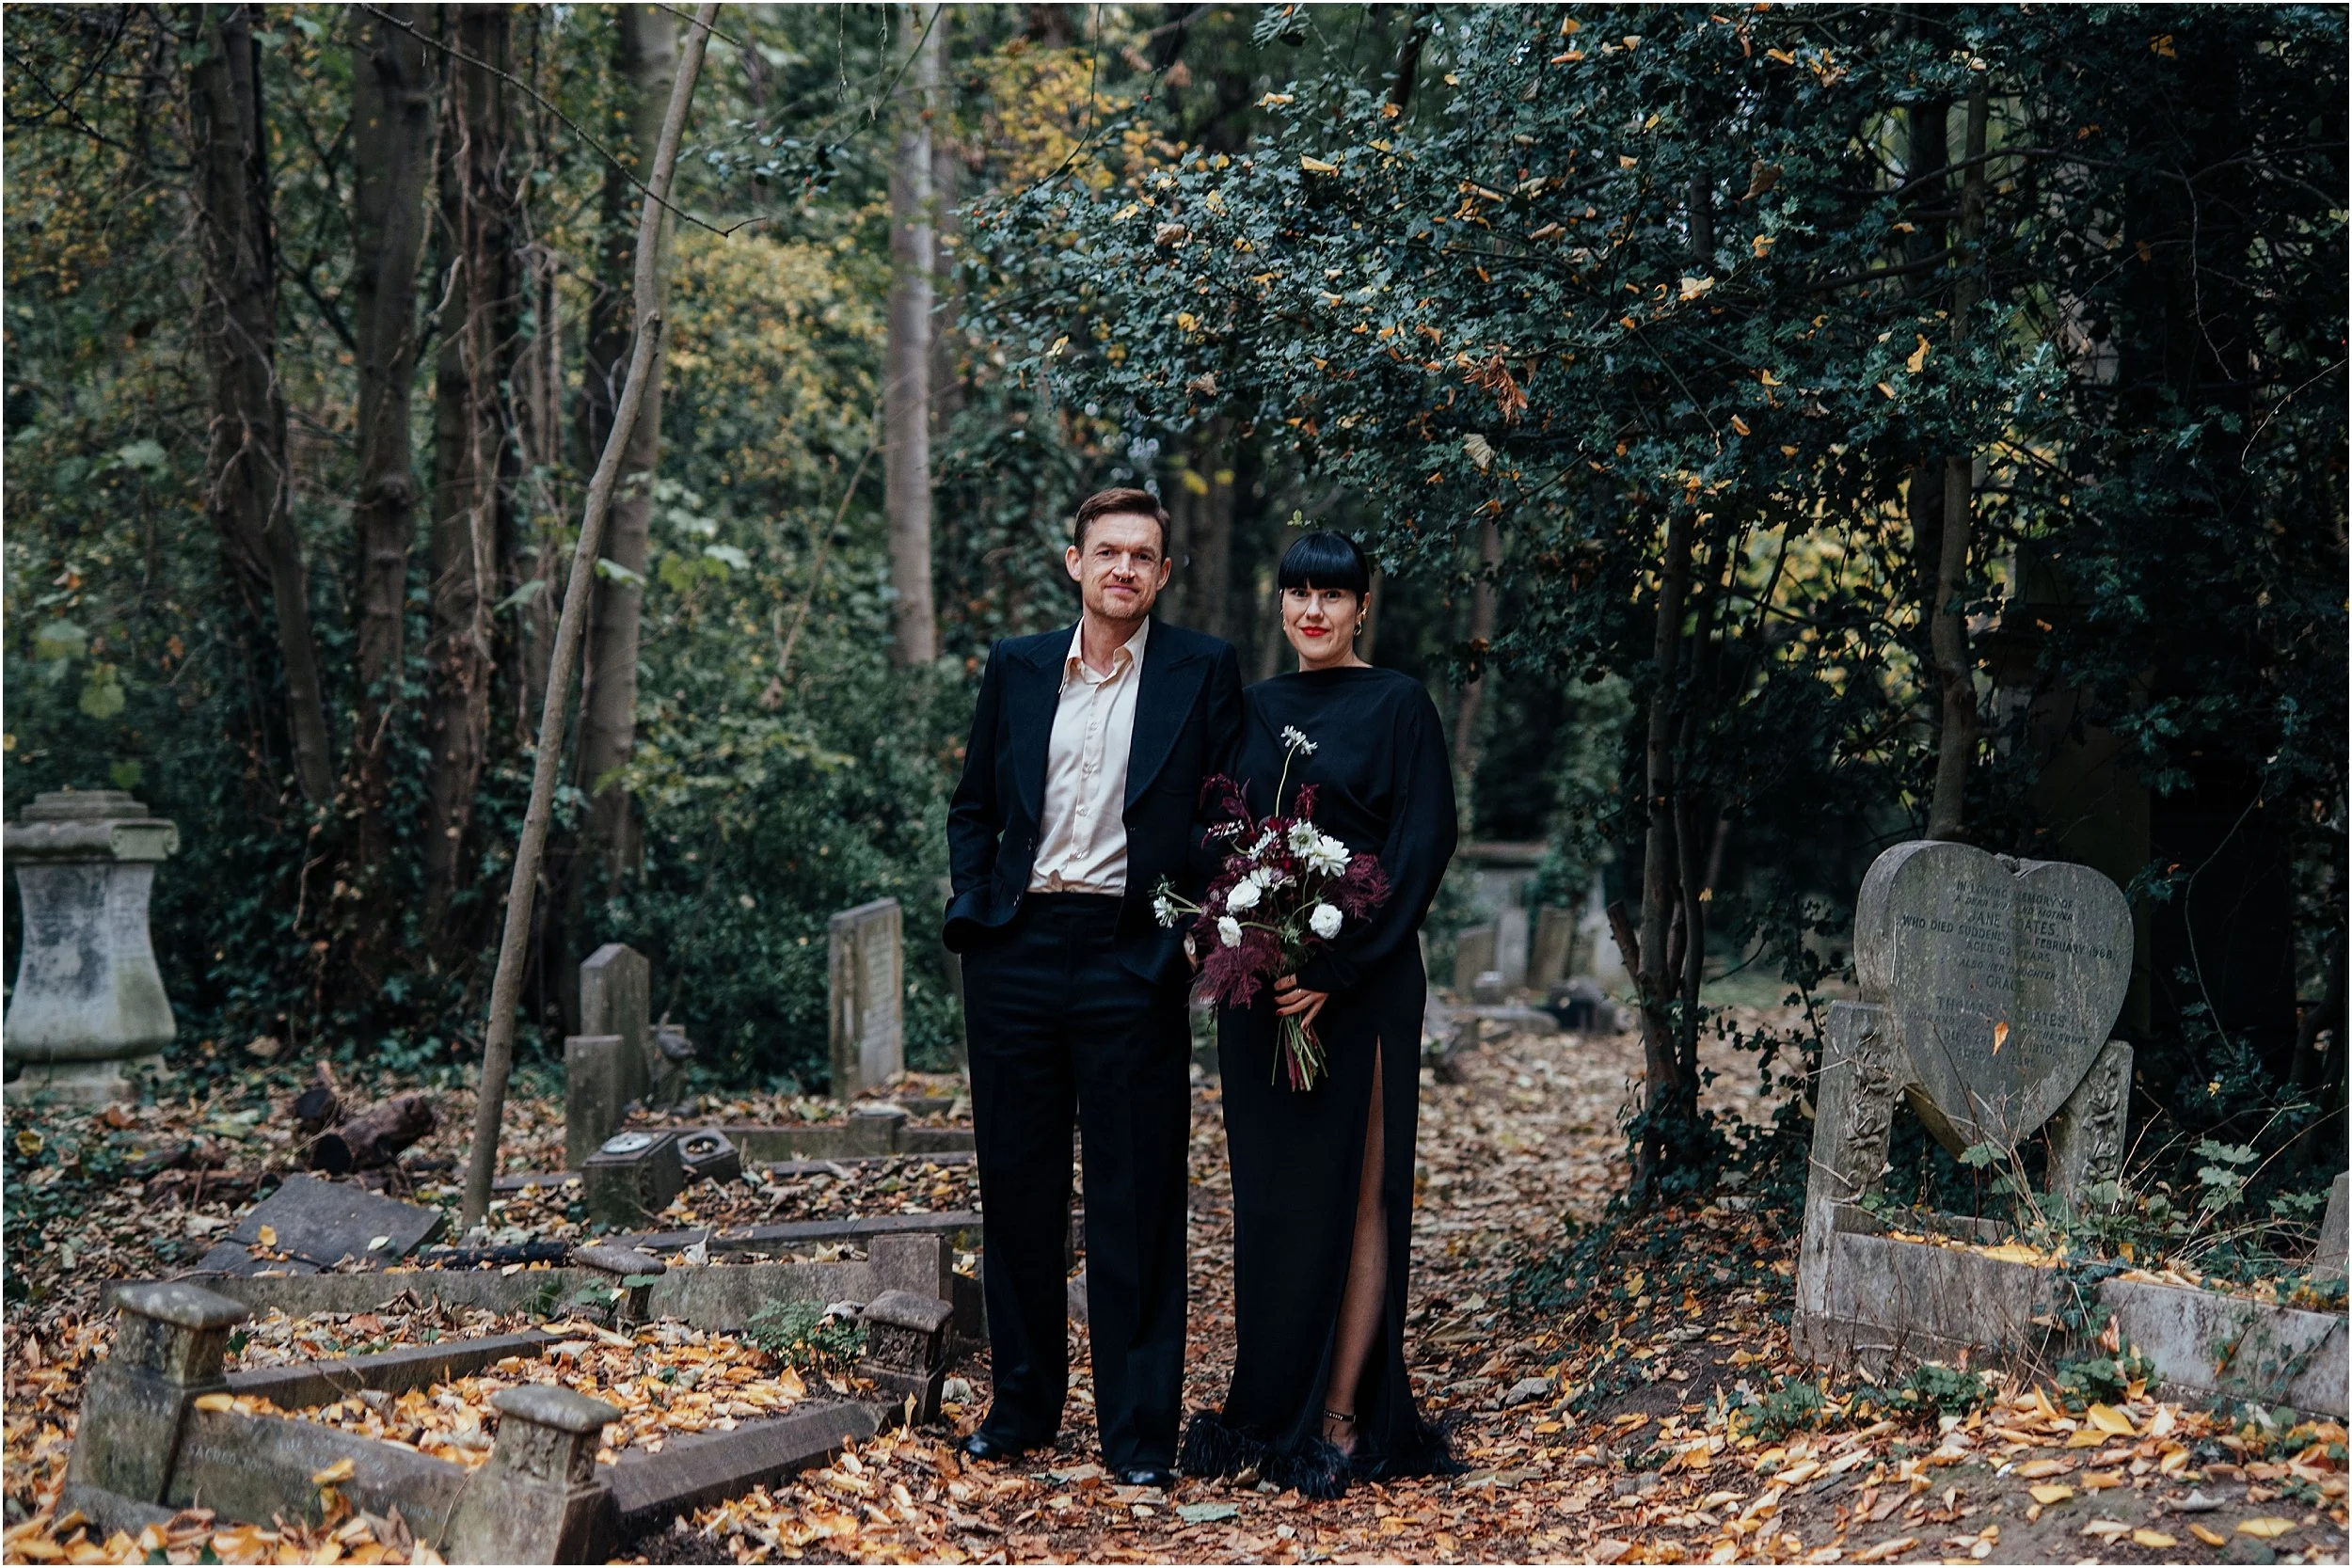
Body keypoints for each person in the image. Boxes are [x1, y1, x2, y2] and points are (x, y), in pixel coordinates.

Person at [944, 487, 1245, 1488]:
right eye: (1107, 550)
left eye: (1142, 555)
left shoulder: (1202, 668)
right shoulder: (1019, 664)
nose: (1123, 568)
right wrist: (978, 910)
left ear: (1164, 573)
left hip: (1132, 950)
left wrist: (1186, 937)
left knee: (1137, 1195)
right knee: (1018, 1189)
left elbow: (1228, 818)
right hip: (1017, 948)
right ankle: (1021, 1408)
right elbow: (975, 804)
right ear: (1074, 562)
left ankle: (1138, 1434)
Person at [1180, 531, 1458, 1498]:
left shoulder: (1400, 704)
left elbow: (1424, 841)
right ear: (1280, 603)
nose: (1313, 609)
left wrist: (1340, 965)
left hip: (1364, 983)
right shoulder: (1254, 707)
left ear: (1361, 606)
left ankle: (1339, 1413)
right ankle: (1268, 1405)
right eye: (1297, 591)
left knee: (1363, 1193)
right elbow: (1219, 831)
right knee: (1275, 1200)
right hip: (1264, 987)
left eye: (1332, 594)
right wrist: (1245, 933)